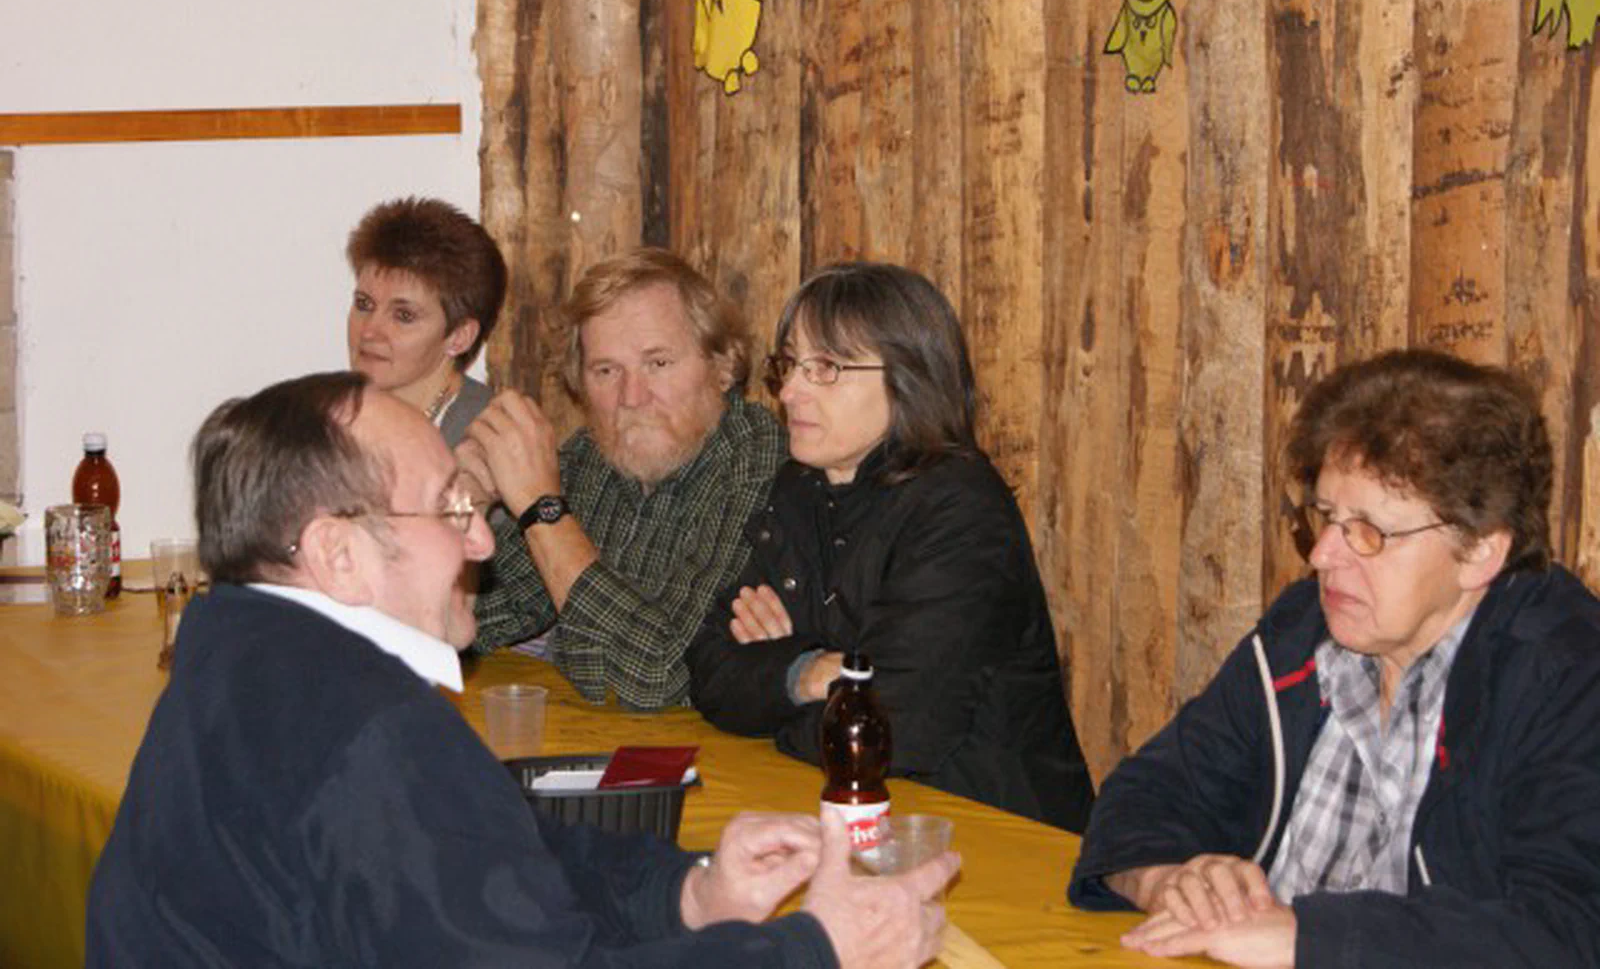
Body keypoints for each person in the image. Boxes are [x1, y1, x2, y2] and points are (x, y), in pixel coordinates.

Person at [86, 371, 958, 967]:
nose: (479, 539)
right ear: (337, 554)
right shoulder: (364, 731)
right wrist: (816, 949)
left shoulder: (244, 652)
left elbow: (500, 858)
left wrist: (690, 894)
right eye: (450, 509)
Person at [1068, 349, 1600, 967]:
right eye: (1325, 517)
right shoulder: (1301, 633)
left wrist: (1308, 938)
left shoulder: (1567, 678)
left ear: (1480, 551)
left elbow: (1569, 931)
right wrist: (1167, 879)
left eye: (1369, 530)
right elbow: (1150, 791)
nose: (1322, 555)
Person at [687, 262, 1096, 832]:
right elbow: (709, 671)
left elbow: (897, 730)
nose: (790, 390)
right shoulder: (800, 487)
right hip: (861, 820)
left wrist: (780, 694)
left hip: (999, 835)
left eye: (826, 367)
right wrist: (806, 673)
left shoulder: (960, 509)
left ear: (908, 378)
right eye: (791, 364)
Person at [464, 248, 784, 710]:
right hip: (589, 738)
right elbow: (471, 626)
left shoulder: (759, 460)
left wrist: (544, 512)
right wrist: (462, 510)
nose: (631, 397)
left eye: (658, 363)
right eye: (606, 371)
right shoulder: (588, 458)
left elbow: (663, 678)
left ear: (724, 366)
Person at [345, 196, 508, 446]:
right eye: (364, 304)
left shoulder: (490, 442)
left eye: (404, 316)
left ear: (459, 337)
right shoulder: (331, 422)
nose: (369, 331)